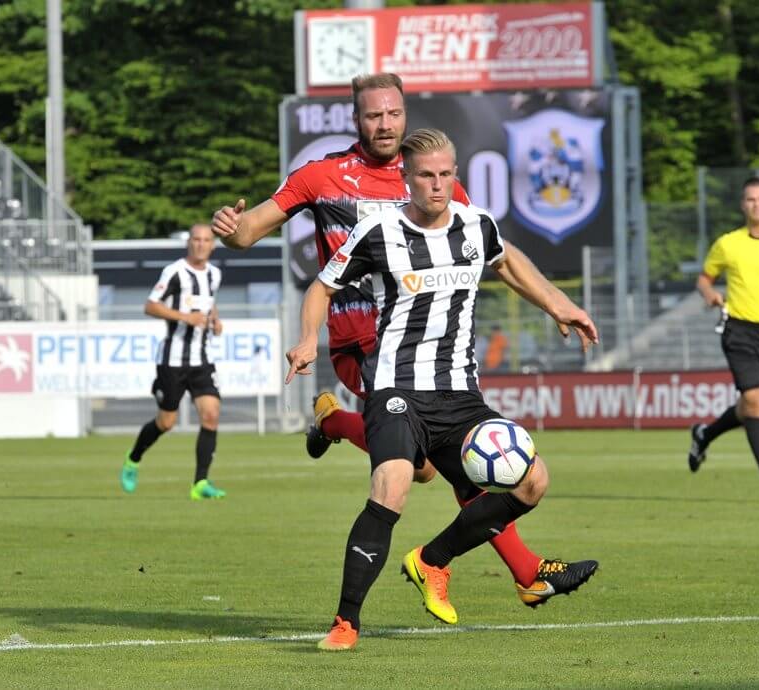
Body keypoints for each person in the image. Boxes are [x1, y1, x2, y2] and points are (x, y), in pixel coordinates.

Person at [212, 72, 598, 607]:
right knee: (426, 467)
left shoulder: (428, 173)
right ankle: (520, 570)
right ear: (357, 119)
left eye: (394, 114)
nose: (386, 124)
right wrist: (231, 228)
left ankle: (525, 571)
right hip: (363, 344)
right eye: (374, 115)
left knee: (444, 464)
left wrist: (558, 302)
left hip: (428, 349)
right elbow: (250, 230)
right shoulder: (321, 176)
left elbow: (489, 252)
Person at [284, 128, 599, 650]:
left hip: (459, 395)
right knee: (394, 487)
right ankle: (346, 623)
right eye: (426, 175)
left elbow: (510, 264)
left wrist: (557, 302)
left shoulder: (477, 226)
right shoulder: (380, 232)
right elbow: (322, 286)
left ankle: (431, 560)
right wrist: (306, 339)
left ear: (457, 174)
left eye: (446, 174)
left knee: (533, 481)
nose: (437, 185)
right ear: (406, 178)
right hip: (396, 389)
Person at [687, 177, 759, 501]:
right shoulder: (728, 243)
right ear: (743, 205)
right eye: (751, 199)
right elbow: (704, 278)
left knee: (748, 407)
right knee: (756, 401)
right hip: (739, 330)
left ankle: (704, 434)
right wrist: (710, 292)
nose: (756, 204)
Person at [120, 224, 226, 500]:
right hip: (172, 360)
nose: (201, 244)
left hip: (202, 358)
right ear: (189, 243)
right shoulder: (175, 271)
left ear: (213, 245)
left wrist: (214, 319)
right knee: (166, 422)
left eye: (206, 240)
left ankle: (200, 483)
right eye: (196, 239)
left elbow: (208, 303)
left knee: (211, 414)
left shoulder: (214, 275)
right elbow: (150, 305)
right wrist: (184, 317)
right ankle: (133, 458)